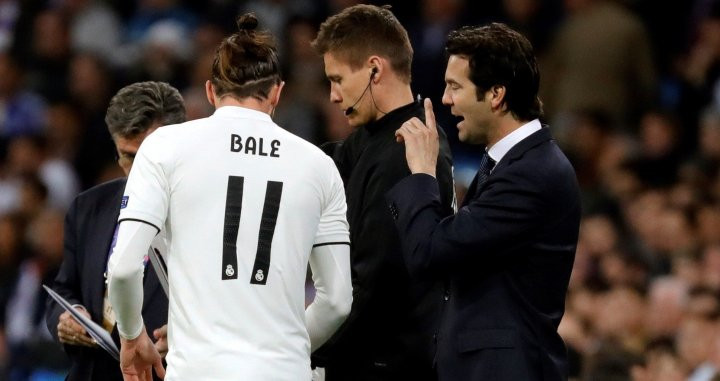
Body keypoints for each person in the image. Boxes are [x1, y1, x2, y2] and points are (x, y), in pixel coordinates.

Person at [107, 14, 352, 381]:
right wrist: (286, 350)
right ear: (276, 93)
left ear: (210, 91)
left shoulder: (164, 147)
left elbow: (124, 268)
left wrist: (132, 336)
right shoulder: (320, 166)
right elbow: (336, 301)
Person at [388, 23, 581, 380]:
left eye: (455, 87)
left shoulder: (532, 173)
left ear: (496, 94)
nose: (446, 99)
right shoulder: (510, 163)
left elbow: (429, 252)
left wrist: (422, 173)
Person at [310, 5, 455, 380]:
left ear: (375, 68)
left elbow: (378, 285)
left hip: (387, 363)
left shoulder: (404, 149)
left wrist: (304, 349)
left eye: (338, 79)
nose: (333, 96)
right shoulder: (381, 137)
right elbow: (323, 161)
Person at [45, 81, 186, 381]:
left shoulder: (208, 215)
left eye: (149, 156)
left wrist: (188, 340)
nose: (139, 173)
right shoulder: (88, 207)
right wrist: (69, 315)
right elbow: (64, 289)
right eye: (129, 156)